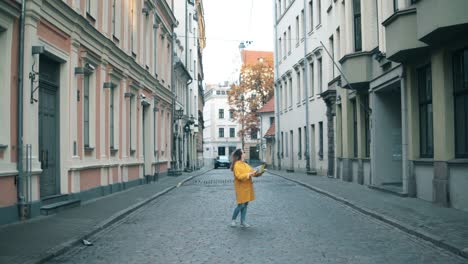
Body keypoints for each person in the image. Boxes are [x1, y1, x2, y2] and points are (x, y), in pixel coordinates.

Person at [230, 149, 257, 228]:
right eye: (243, 152)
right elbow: (239, 176)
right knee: (241, 205)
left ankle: (243, 221)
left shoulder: (245, 164)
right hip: (240, 188)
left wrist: (259, 171)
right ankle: (233, 220)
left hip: (247, 187)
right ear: (240, 155)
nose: (245, 153)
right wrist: (249, 174)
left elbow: (252, 172)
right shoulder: (236, 165)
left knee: (245, 204)